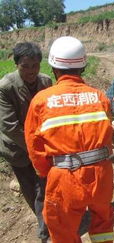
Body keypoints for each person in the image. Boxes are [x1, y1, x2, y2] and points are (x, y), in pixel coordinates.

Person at [24, 36, 114, 243]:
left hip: (65, 176)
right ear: (83, 66)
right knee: (103, 221)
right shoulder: (99, 96)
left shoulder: (41, 101)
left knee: (62, 230)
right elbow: (107, 137)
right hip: (102, 172)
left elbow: (34, 147)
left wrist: (50, 172)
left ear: (53, 67)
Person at [0, 42, 52, 242]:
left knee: (44, 189)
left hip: (43, 147)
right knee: (30, 190)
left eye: (35, 66)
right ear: (16, 64)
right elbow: (10, 127)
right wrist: (34, 148)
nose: (31, 71)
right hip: (18, 150)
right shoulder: (6, 87)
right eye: (25, 66)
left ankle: (45, 232)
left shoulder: (46, 82)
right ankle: (43, 223)